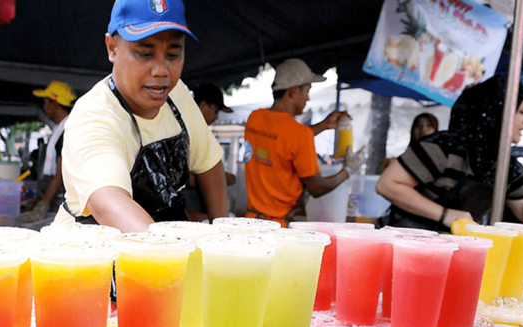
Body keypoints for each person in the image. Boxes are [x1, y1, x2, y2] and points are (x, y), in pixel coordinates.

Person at [53, 0, 228, 232]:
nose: (161, 71)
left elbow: (209, 163)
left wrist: (223, 234)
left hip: (160, 247)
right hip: (91, 258)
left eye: (173, 55)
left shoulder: (178, 95)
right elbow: (110, 204)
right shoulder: (94, 117)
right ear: (112, 48)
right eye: (146, 54)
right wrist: (166, 254)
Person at [376, 75, 523, 230]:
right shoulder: (445, 148)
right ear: (496, 112)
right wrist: (445, 215)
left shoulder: (507, 165)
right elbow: (387, 184)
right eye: (522, 112)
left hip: (454, 249)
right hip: (403, 241)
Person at [244, 58, 363, 227]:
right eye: (307, 91)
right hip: (277, 228)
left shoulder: (254, 119)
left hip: (251, 220)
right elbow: (317, 188)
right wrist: (347, 170)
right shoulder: (299, 134)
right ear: (293, 92)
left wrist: (323, 126)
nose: (307, 99)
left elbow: (282, 141)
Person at [25, 81, 77, 223]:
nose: (44, 106)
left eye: (45, 102)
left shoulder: (67, 132)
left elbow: (60, 176)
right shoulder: (65, 128)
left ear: (53, 103)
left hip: (61, 206)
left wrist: (41, 207)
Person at [186, 83, 236, 221]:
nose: (216, 118)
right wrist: (219, 178)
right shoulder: (185, 132)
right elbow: (178, 178)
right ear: (202, 105)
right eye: (215, 111)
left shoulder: (200, 134)